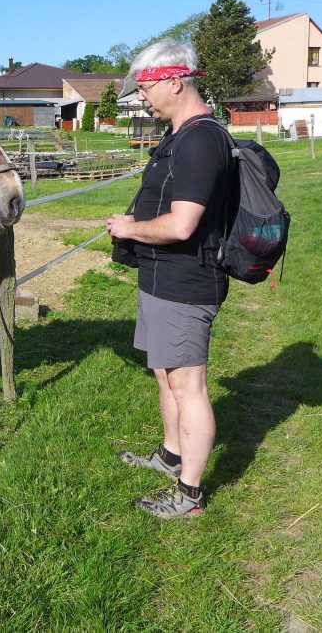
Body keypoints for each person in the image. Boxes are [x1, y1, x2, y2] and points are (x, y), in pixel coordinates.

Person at [107, 39, 232, 519]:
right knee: (165, 373)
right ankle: (171, 454)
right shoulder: (180, 134)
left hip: (186, 282)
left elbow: (182, 225)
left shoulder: (201, 139)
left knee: (188, 385)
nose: (142, 97)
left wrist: (130, 228)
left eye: (146, 87)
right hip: (161, 278)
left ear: (175, 81)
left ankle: (190, 494)